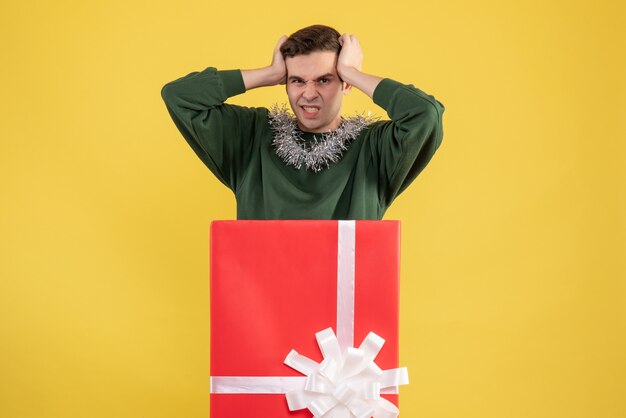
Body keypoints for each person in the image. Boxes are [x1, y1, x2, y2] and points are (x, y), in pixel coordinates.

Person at [161, 25, 445, 220]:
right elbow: (179, 96)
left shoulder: (376, 149)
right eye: (297, 80)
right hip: (261, 306)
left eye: (324, 79)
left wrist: (351, 71)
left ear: (345, 85)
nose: (309, 93)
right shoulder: (250, 137)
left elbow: (425, 114)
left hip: (344, 306)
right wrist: (269, 73)